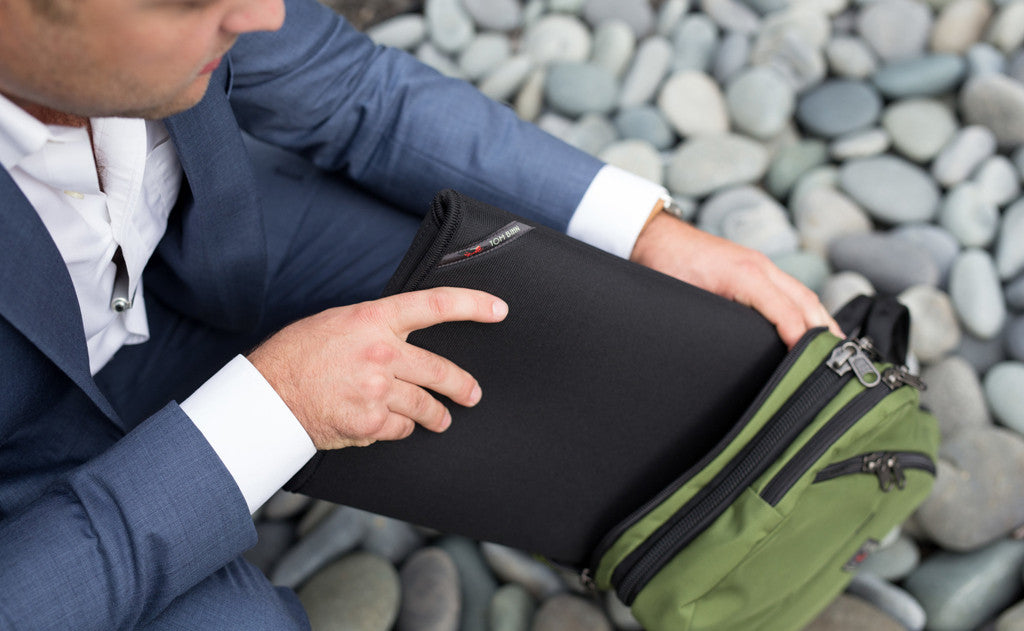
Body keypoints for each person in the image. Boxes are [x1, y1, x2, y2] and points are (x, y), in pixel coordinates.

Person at [0, 0, 840, 627]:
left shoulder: (217, 15)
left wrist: (645, 233)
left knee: (605, 318)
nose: (261, 11)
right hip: (28, 498)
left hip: (203, 264)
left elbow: (363, 93)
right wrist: (275, 409)